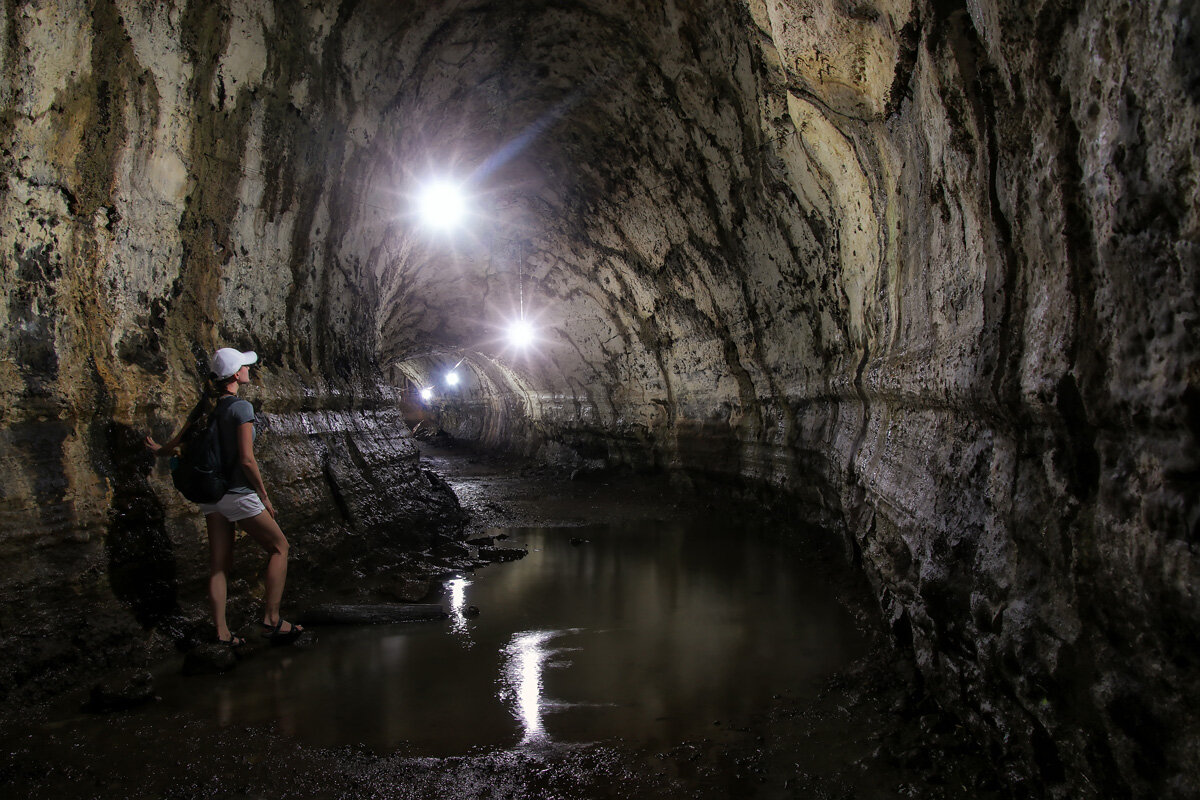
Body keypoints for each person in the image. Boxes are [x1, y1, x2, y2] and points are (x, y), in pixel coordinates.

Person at [146, 348, 303, 646]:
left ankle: (221, 632)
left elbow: (179, 442)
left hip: (210, 496)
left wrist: (159, 451)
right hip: (237, 493)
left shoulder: (205, 408)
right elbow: (246, 460)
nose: (248, 369)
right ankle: (272, 620)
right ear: (235, 376)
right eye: (244, 366)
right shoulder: (241, 408)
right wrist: (264, 496)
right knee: (280, 547)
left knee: (218, 565)